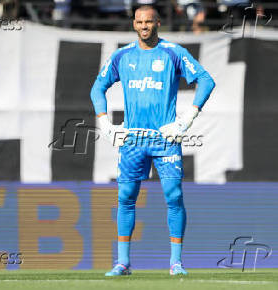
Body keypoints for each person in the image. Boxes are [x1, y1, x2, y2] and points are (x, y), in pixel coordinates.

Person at [90, 5, 215, 276]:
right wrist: (105, 123)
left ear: (158, 22)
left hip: (165, 138)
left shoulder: (173, 52)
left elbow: (206, 80)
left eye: (149, 21)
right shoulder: (122, 56)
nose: (144, 26)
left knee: (174, 195)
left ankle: (176, 262)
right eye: (139, 22)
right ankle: (122, 263)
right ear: (133, 24)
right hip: (133, 139)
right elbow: (97, 88)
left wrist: (186, 119)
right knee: (126, 196)